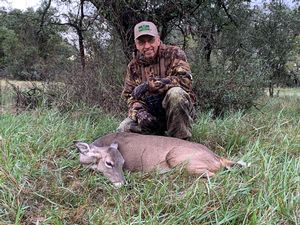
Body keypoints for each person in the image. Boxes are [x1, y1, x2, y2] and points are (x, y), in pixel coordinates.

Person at [117, 21, 196, 140]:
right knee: (123, 129)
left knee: (176, 94)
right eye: (142, 42)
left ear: (158, 40)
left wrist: (153, 85)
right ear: (136, 45)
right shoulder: (133, 66)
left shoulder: (174, 53)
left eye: (151, 40)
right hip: (152, 115)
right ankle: (157, 138)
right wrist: (140, 113)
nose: (147, 46)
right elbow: (130, 96)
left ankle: (182, 142)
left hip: (177, 112)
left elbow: (185, 81)